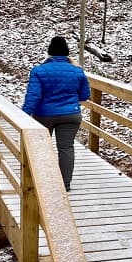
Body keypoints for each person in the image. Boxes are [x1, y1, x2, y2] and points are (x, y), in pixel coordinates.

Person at [22, 36, 90, 192]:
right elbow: (85, 95)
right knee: (66, 148)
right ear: (67, 53)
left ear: (49, 52)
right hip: (71, 114)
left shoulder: (39, 71)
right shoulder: (77, 71)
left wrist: (24, 115)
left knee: (42, 147)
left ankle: (42, 182)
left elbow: (34, 96)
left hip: (44, 115)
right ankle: (65, 185)